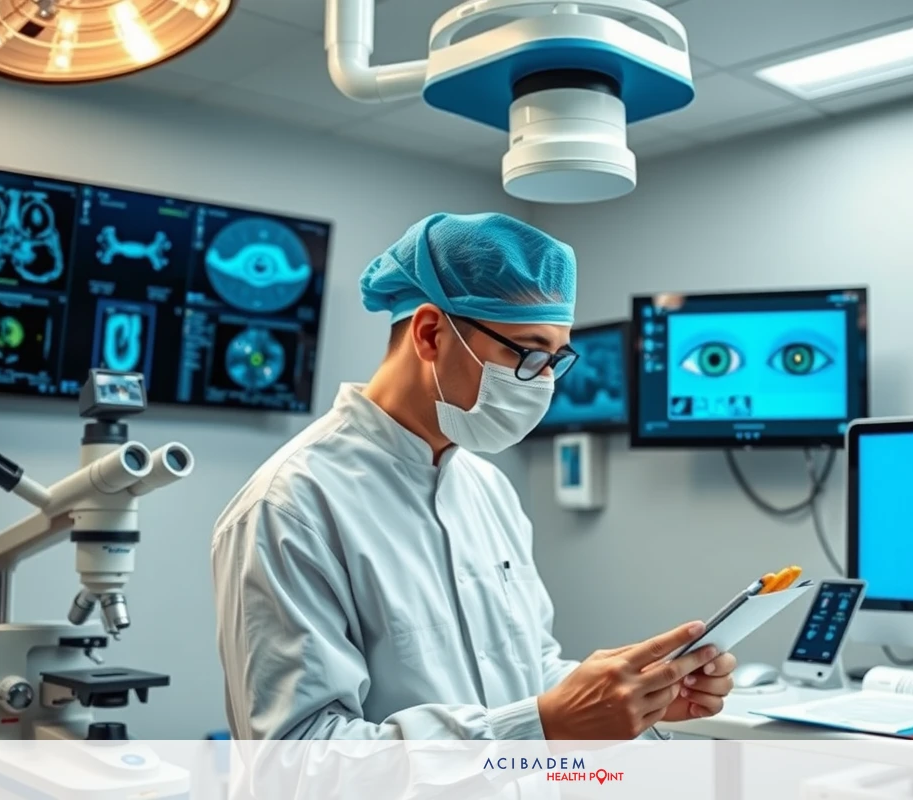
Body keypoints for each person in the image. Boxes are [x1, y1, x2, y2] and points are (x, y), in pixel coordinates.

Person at [211, 212, 736, 740]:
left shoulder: (488, 489)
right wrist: (541, 725)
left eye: (556, 359)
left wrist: (634, 697)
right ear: (431, 333)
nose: (543, 382)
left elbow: (529, 673)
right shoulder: (292, 506)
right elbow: (297, 757)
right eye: (527, 352)